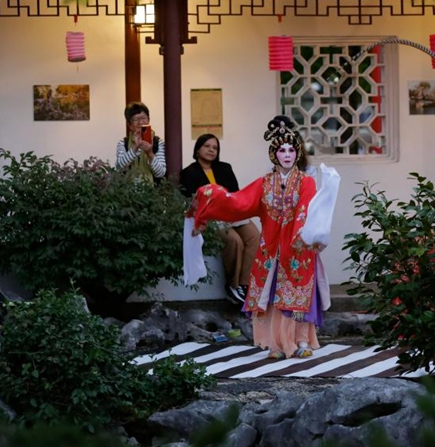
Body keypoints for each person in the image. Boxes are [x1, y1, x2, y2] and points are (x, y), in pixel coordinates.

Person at [189, 115, 332, 360]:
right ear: (273, 155)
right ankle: (275, 344)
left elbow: (306, 210)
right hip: (271, 249)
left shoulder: (306, 182)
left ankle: (299, 340)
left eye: (290, 150)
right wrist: (210, 196)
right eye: (281, 150)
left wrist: (301, 236)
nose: (286, 154)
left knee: (296, 296)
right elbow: (239, 203)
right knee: (273, 296)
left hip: (298, 248)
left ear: (297, 153)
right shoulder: (264, 184)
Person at [180, 134, 261, 304]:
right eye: (207, 146)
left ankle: (244, 285)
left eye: (215, 148)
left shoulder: (225, 168)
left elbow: (236, 193)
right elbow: (191, 200)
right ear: (197, 149)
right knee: (234, 241)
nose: (211, 150)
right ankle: (233, 286)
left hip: (231, 213)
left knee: (255, 237)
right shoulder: (188, 172)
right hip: (211, 217)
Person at [115, 102, 166, 184]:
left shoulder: (157, 142)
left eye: (143, 118)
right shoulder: (123, 143)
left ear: (148, 120)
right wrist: (135, 147)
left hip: (152, 194)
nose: (141, 122)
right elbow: (119, 167)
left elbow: (160, 173)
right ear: (130, 125)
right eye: (136, 119)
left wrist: (150, 154)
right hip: (128, 193)